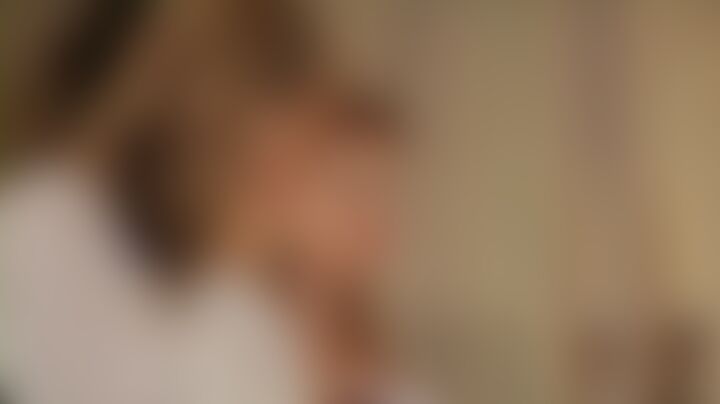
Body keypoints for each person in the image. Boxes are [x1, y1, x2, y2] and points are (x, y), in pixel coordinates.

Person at [1, 0, 428, 403]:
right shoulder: (40, 243)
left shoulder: (233, 314)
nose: (286, 203)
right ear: (212, 129)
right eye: (285, 167)